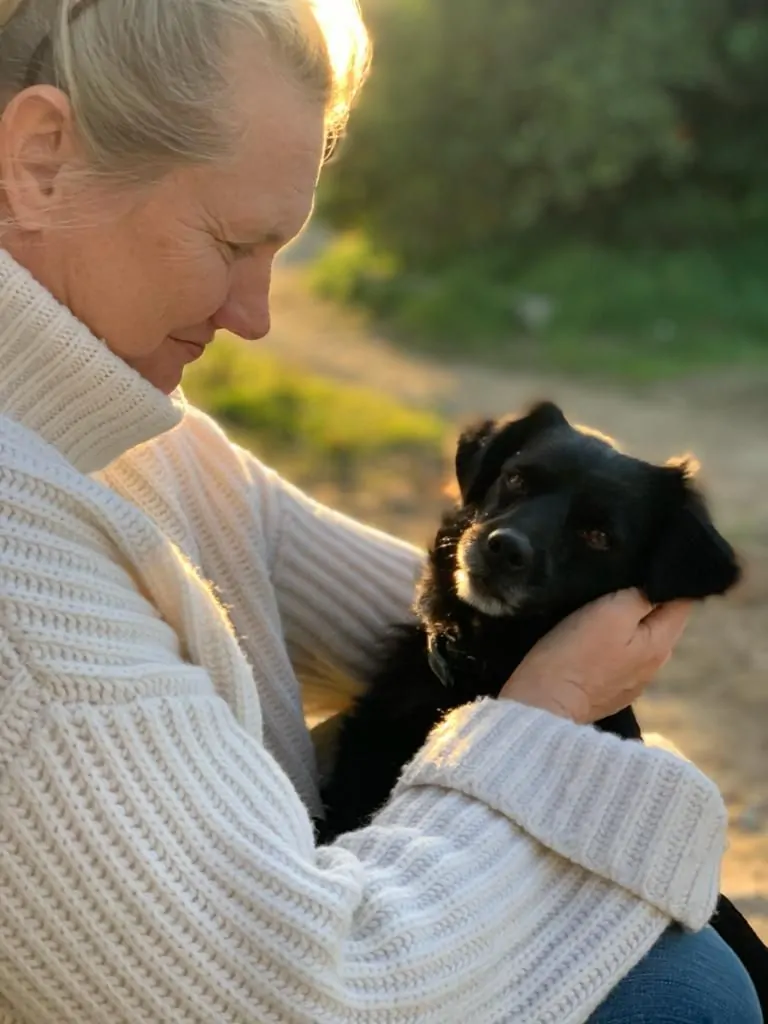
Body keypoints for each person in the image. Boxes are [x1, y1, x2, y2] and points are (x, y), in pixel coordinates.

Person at [0, 1, 760, 1022]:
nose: (258, 317)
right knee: (686, 989)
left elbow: (278, 554)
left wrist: (541, 616)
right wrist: (544, 716)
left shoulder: (124, 432)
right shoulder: (21, 609)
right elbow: (321, 999)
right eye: (233, 241)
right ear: (41, 157)